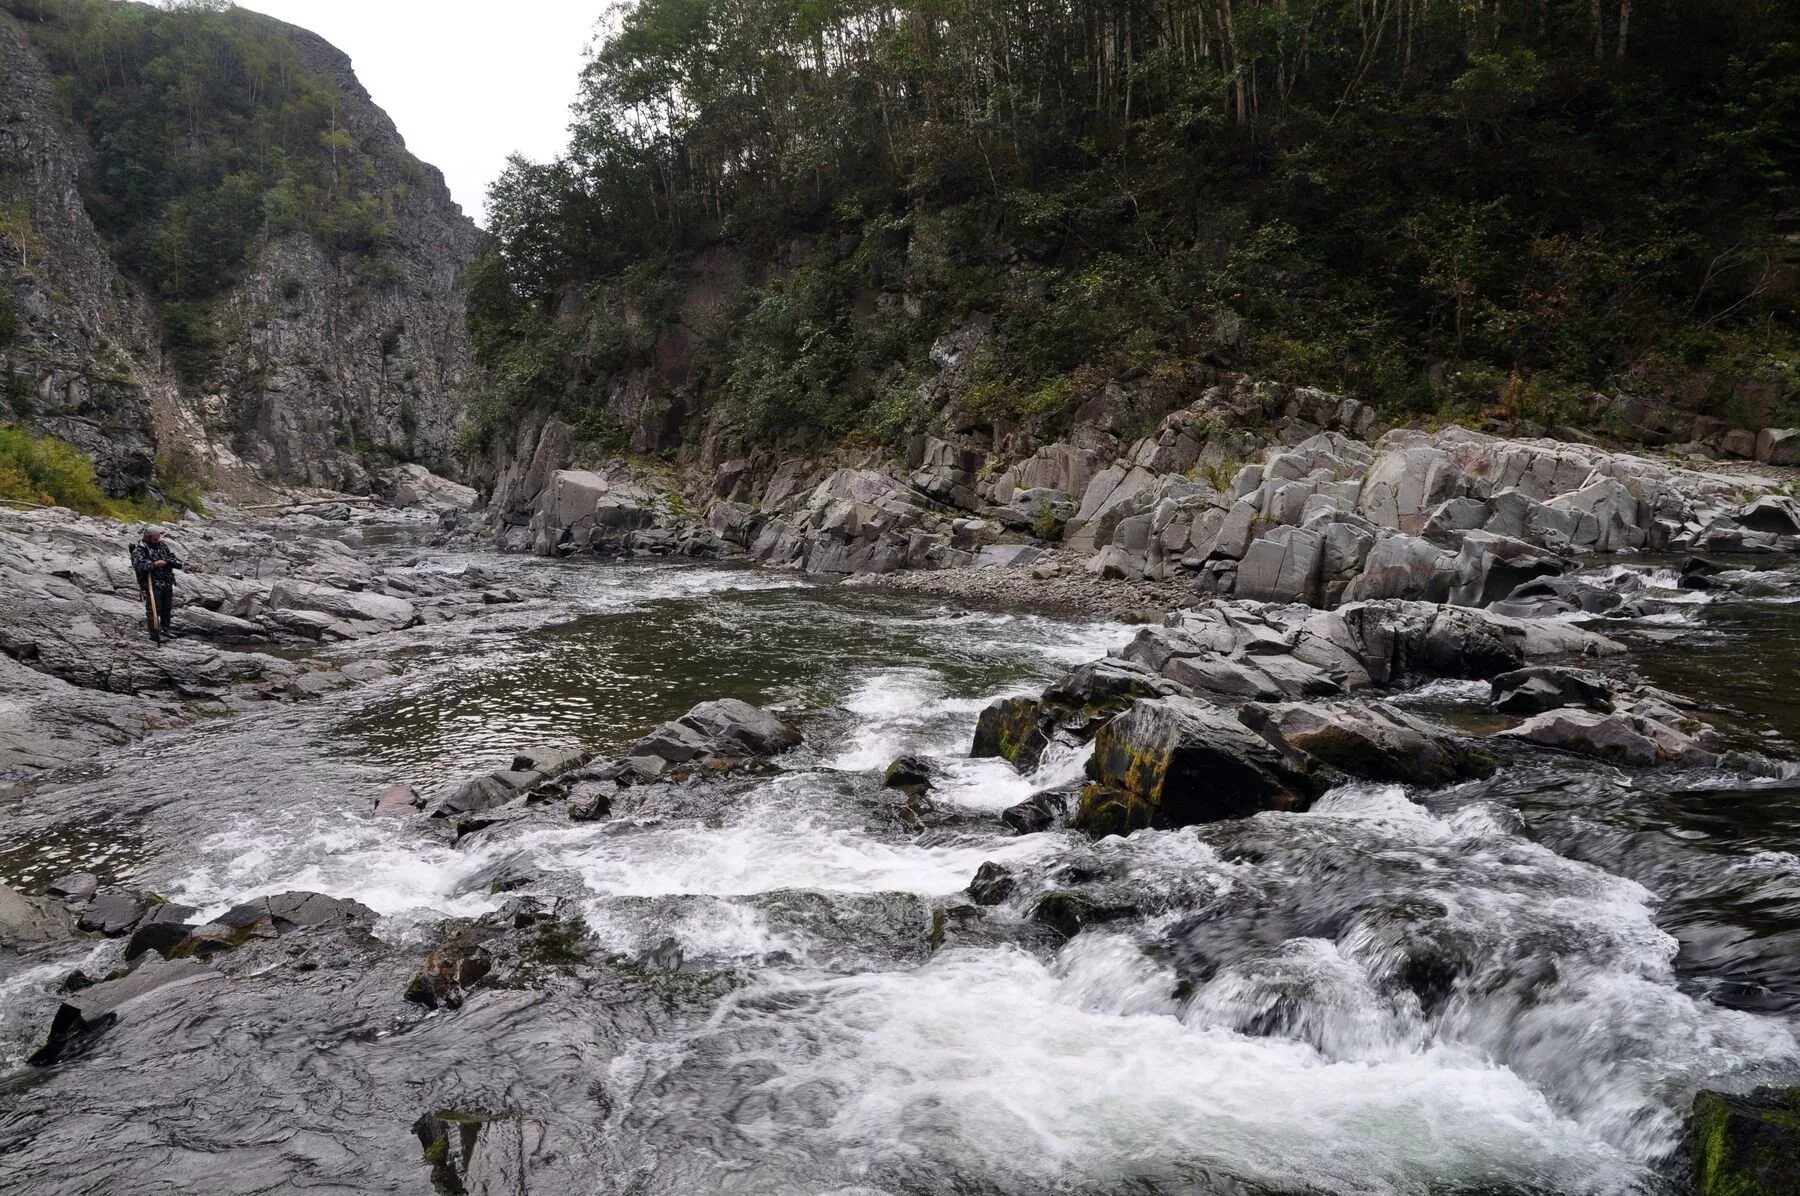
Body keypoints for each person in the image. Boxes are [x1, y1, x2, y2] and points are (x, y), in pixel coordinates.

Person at [129, 528, 183, 643]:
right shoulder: (140, 550)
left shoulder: (162, 547)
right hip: (152, 583)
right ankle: (154, 633)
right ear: (148, 538)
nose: (157, 540)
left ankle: (166, 629)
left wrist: (169, 562)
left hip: (167, 582)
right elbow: (139, 565)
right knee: (153, 608)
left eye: (158, 537)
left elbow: (175, 560)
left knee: (166, 607)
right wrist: (154, 564)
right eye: (155, 538)